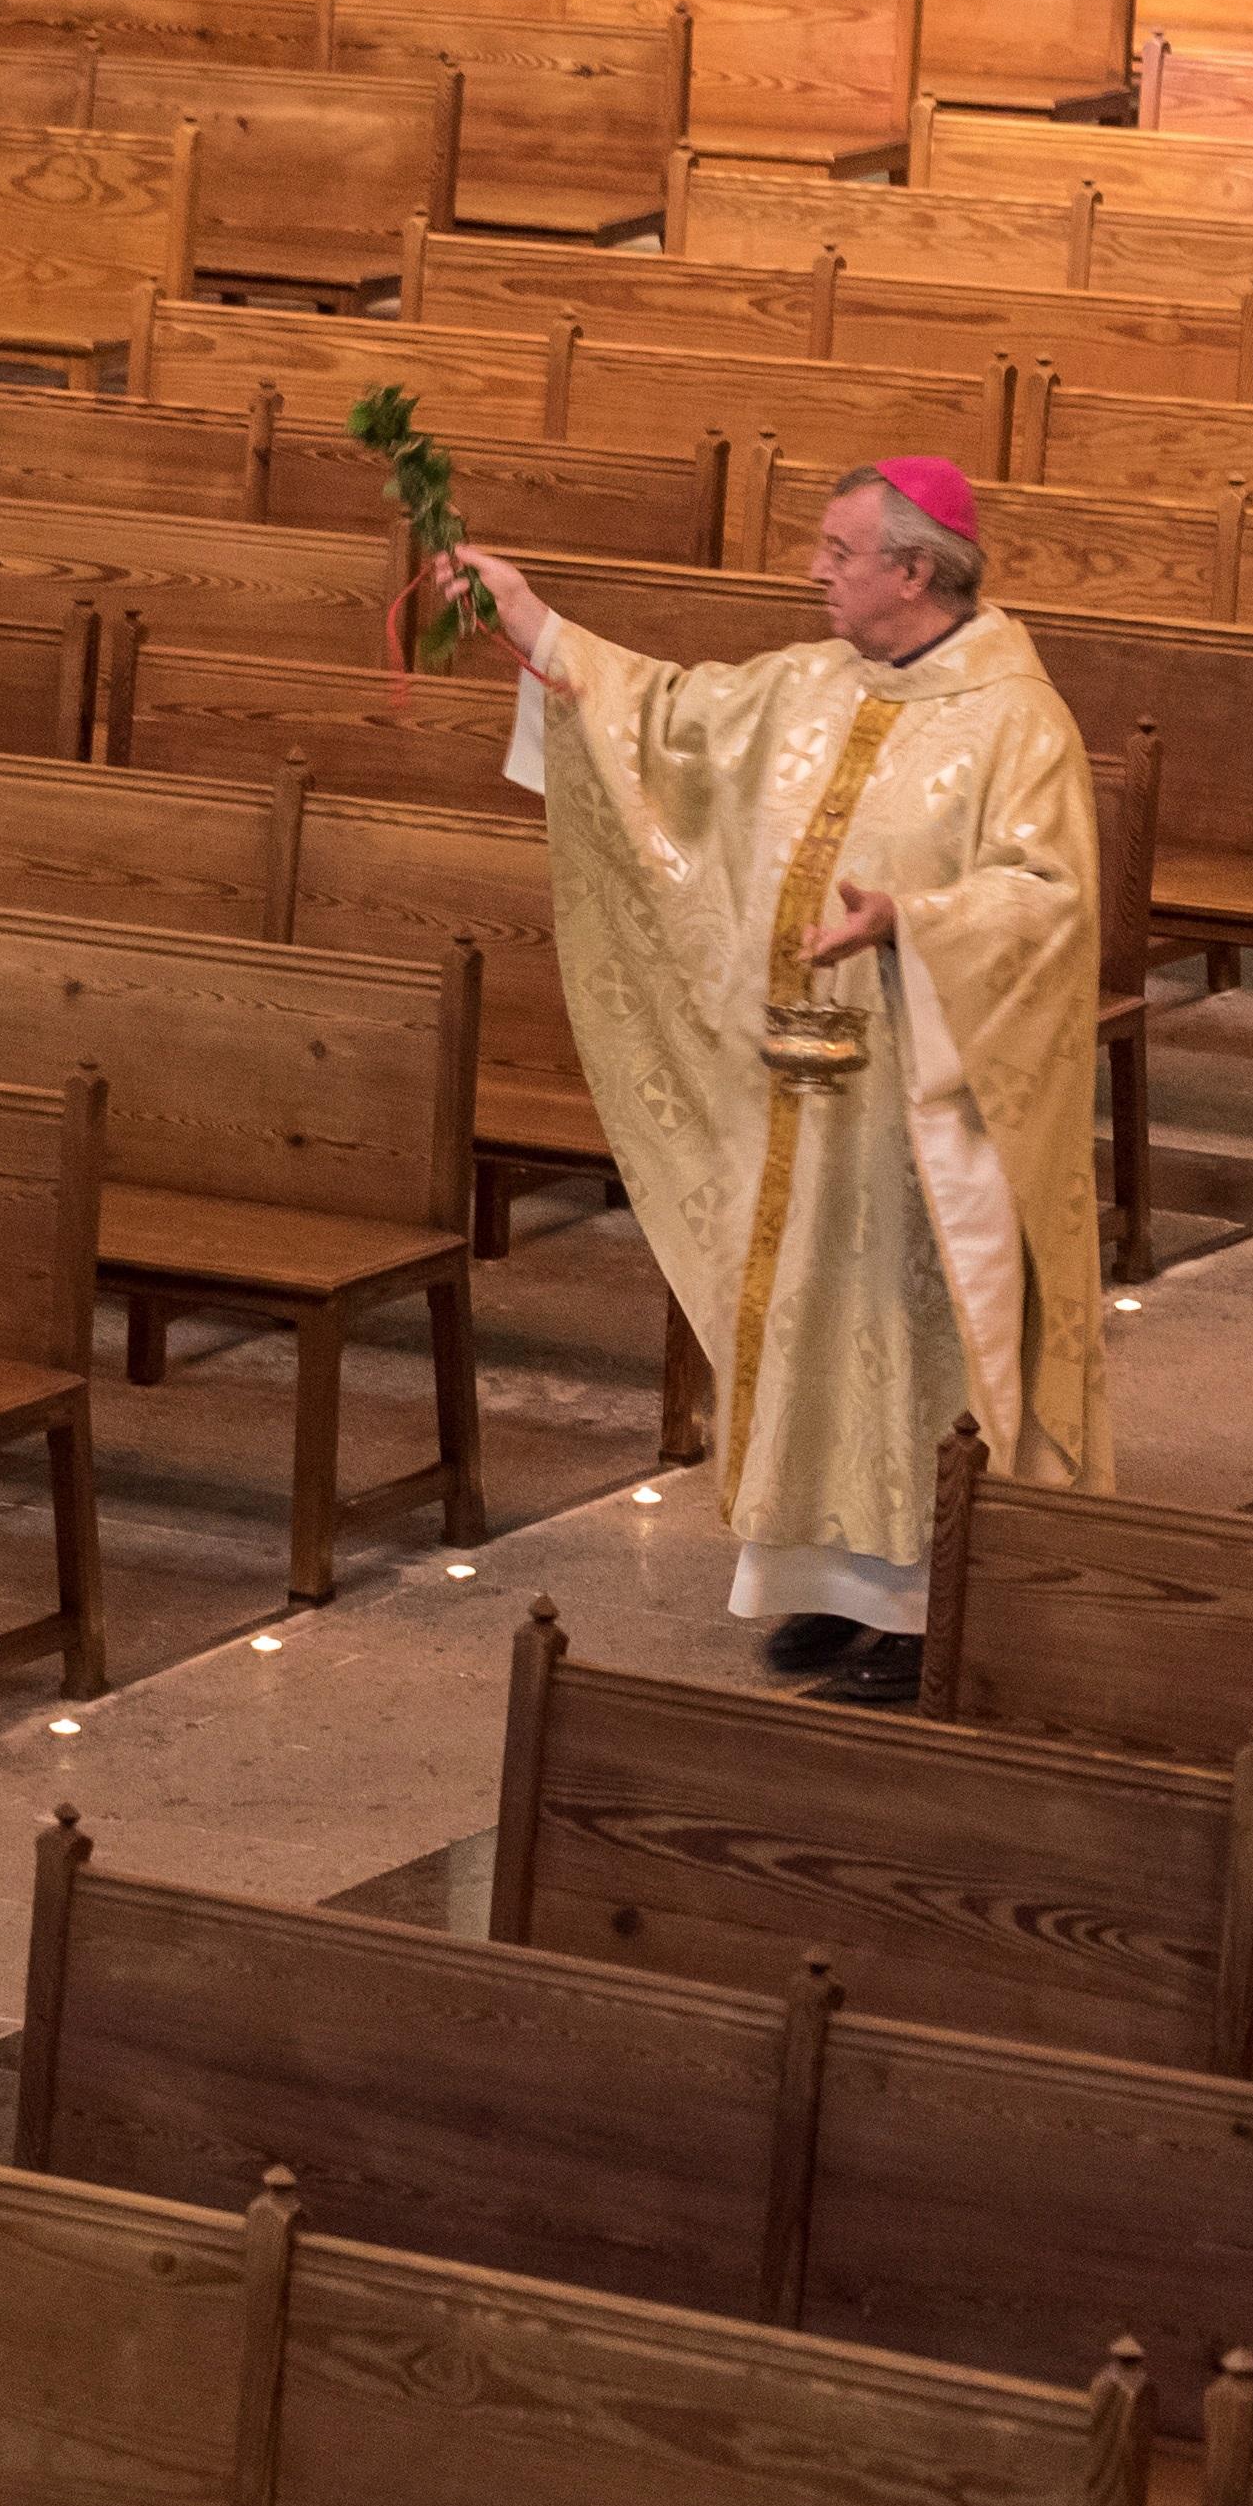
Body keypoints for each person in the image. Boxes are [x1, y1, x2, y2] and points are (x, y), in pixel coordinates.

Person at [447, 462, 1110, 1704]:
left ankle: (928, 1604)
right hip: (797, 1092)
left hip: (925, 1107)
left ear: (913, 571)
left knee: (909, 1344)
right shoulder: (809, 681)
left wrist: (915, 920)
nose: (814, 567)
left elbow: (1052, 903)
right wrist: (527, 617)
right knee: (810, 1328)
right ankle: (827, 1585)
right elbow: (664, 719)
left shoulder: (1016, 723)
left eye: (838, 549)